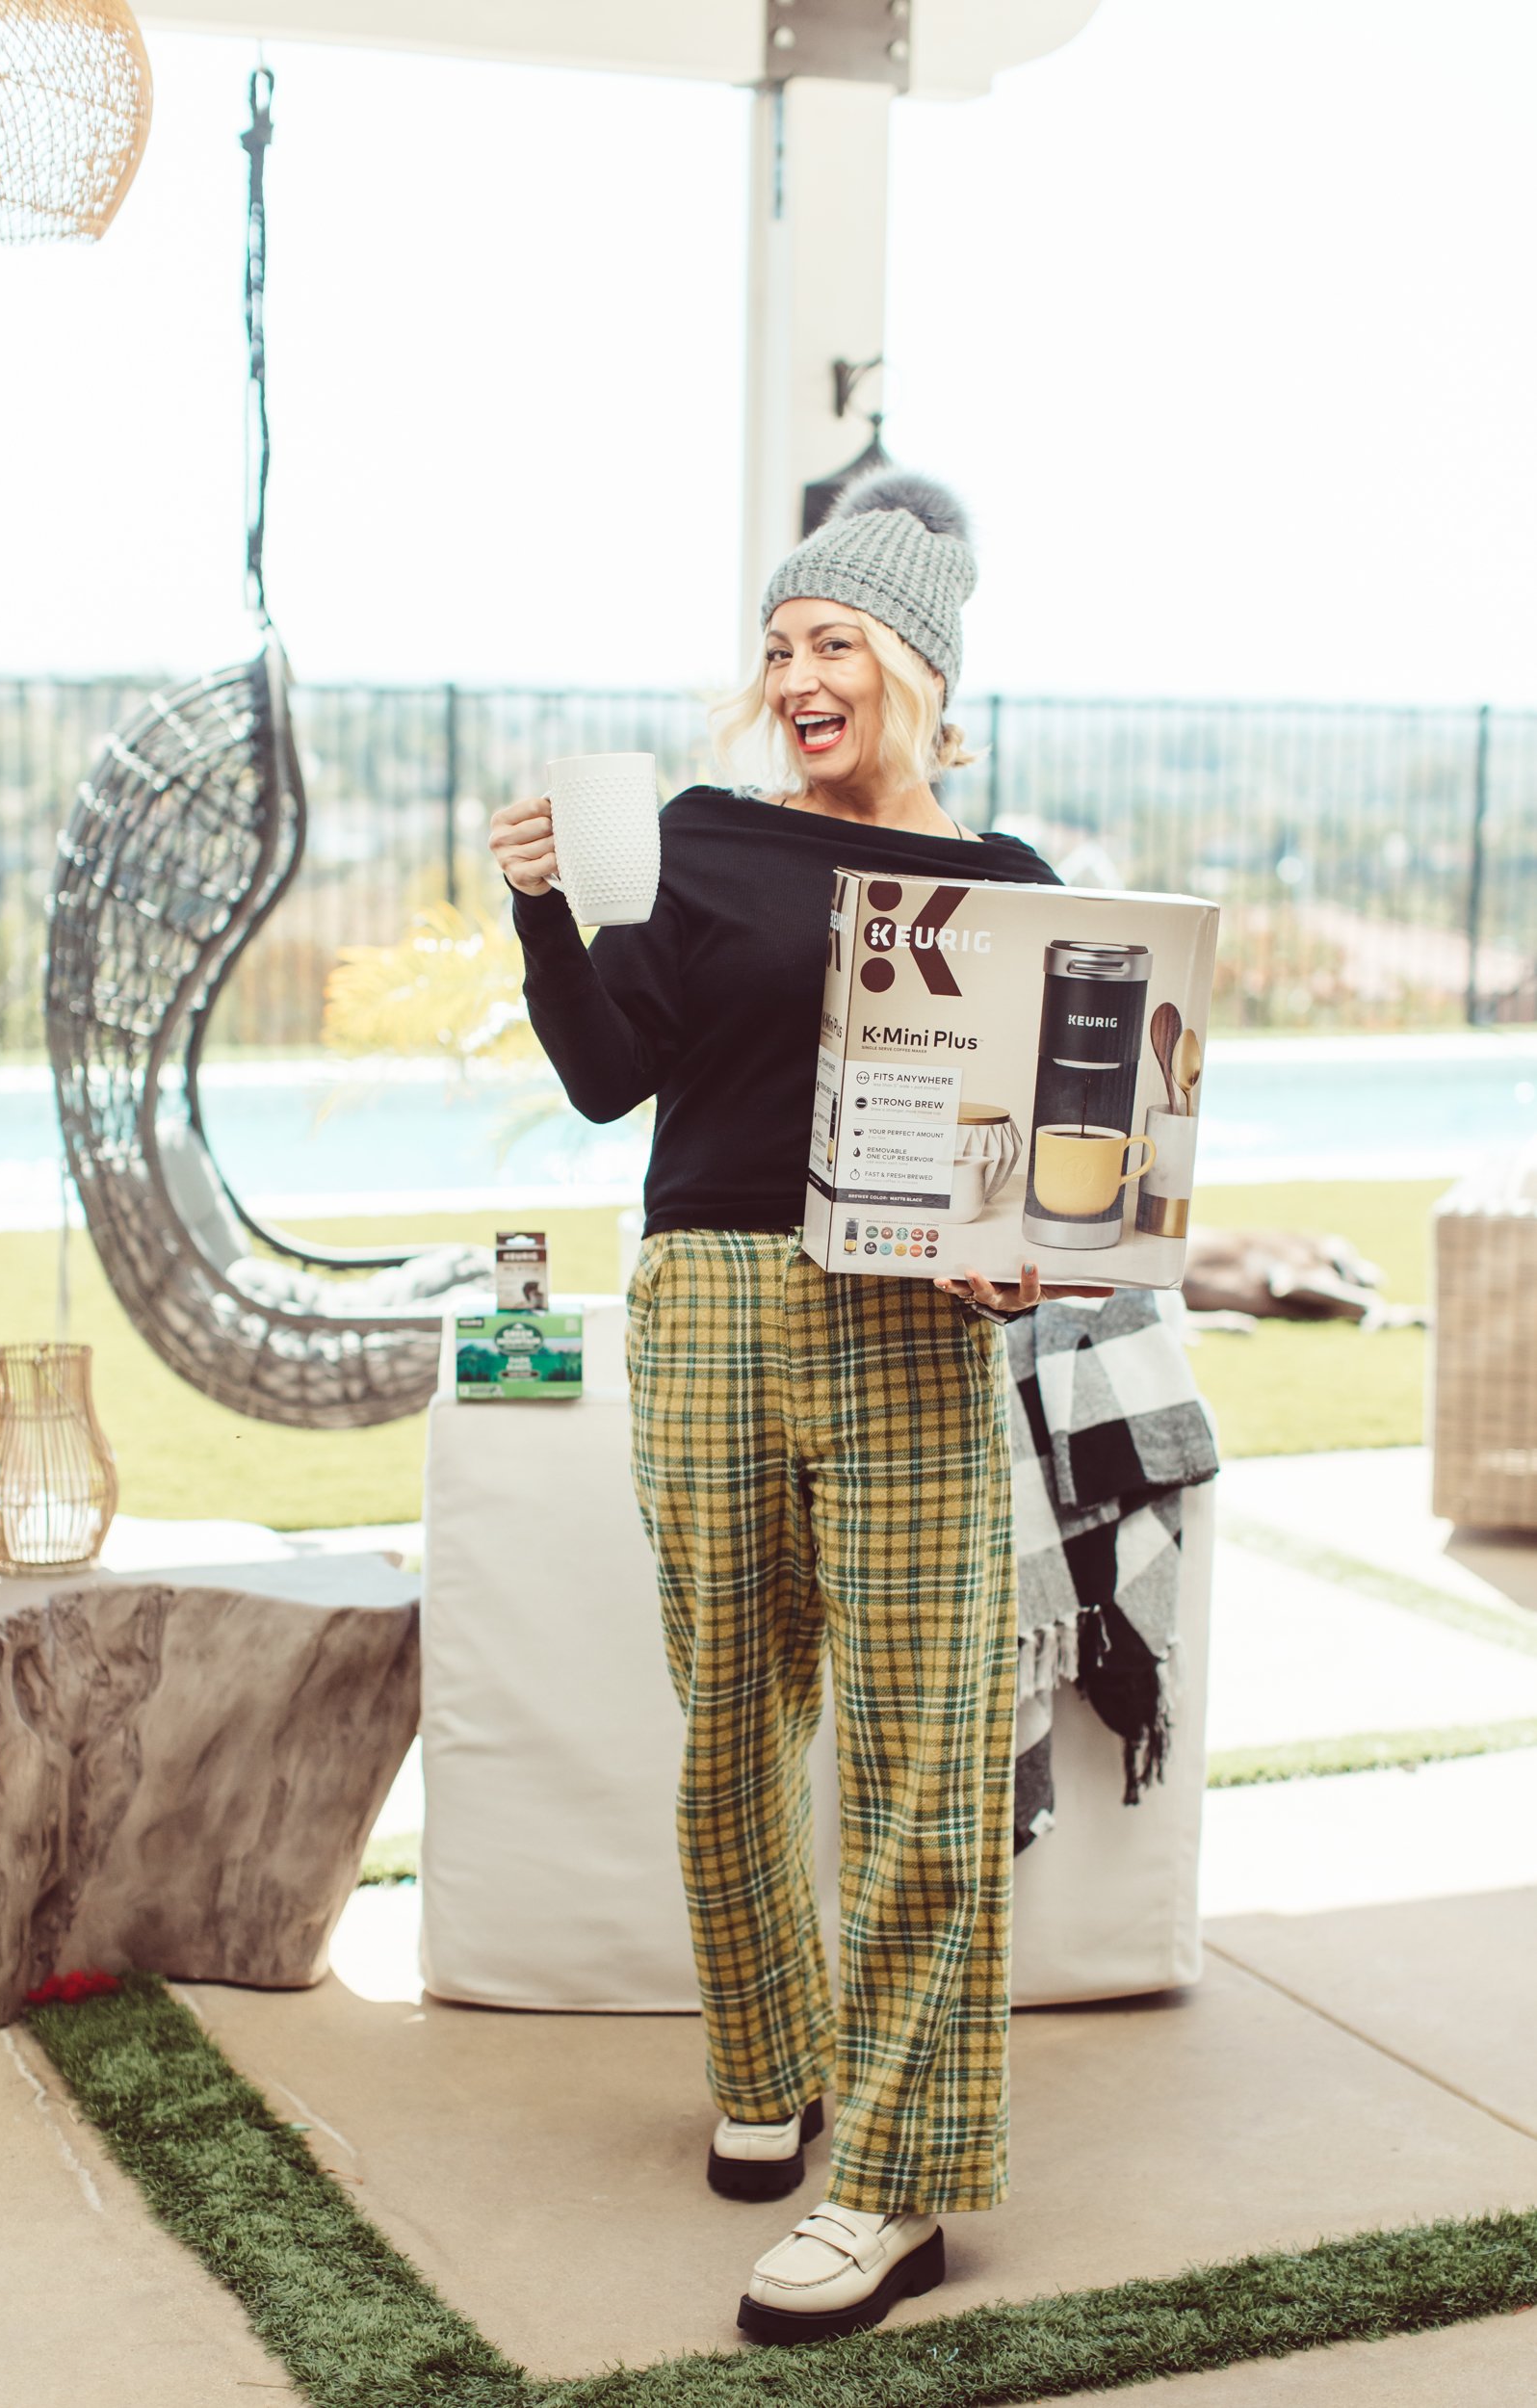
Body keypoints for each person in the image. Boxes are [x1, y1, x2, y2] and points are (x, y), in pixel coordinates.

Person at [490, 469, 1105, 2347]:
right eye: (777, 644)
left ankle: (900, 2174)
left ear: (914, 667)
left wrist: (1022, 1261)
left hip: (910, 1327)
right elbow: (608, 1074)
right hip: (708, 1302)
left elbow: (1057, 1180)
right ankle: (768, 2062)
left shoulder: (1007, 893)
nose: (795, 672)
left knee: (922, 1740)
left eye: (832, 639)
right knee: (729, 1715)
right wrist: (539, 916)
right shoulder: (704, 836)